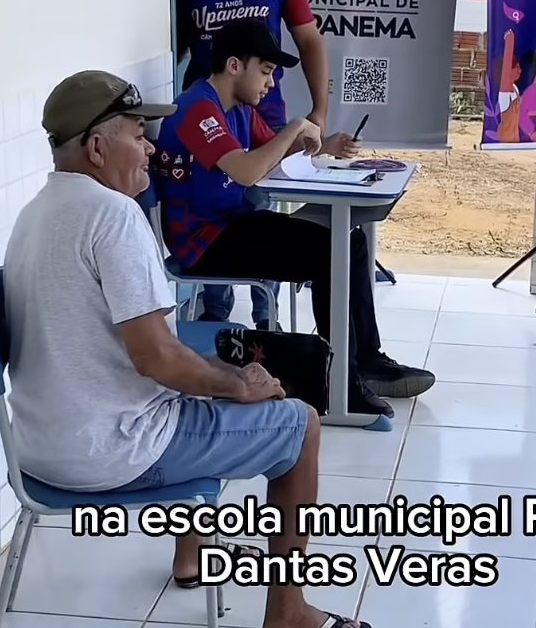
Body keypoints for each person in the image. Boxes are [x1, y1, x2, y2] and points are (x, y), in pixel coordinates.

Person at [3, 70, 371, 628]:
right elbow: (156, 358)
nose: (151, 146)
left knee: (201, 387)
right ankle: (289, 618)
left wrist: (220, 382)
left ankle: (193, 552)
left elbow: (144, 358)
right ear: (98, 147)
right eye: (137, 134)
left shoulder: (35, 213)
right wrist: (241, 383)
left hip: (40, 449)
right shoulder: (113, 218)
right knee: (299, 424)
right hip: (111, 451)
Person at [154, 22, 436, 418]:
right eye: (266, 71)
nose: (270, 83)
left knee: (349, 241)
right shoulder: (198, 109)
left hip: (233, 224)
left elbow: (274, 154)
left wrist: (325, 147)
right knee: (328, 252)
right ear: (234, 65)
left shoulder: (236, 108)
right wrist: (292, 129)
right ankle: (343, 383)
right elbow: (248, 171)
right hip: (204, 243)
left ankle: (367, 361)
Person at [175, 0, 328, 328]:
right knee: (216, 220)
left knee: (259, 219)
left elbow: (310, 43)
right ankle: (215, 322)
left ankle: (268, 323)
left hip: (264, 124)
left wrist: (317, 114)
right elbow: (178, 48)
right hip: (208, 130)